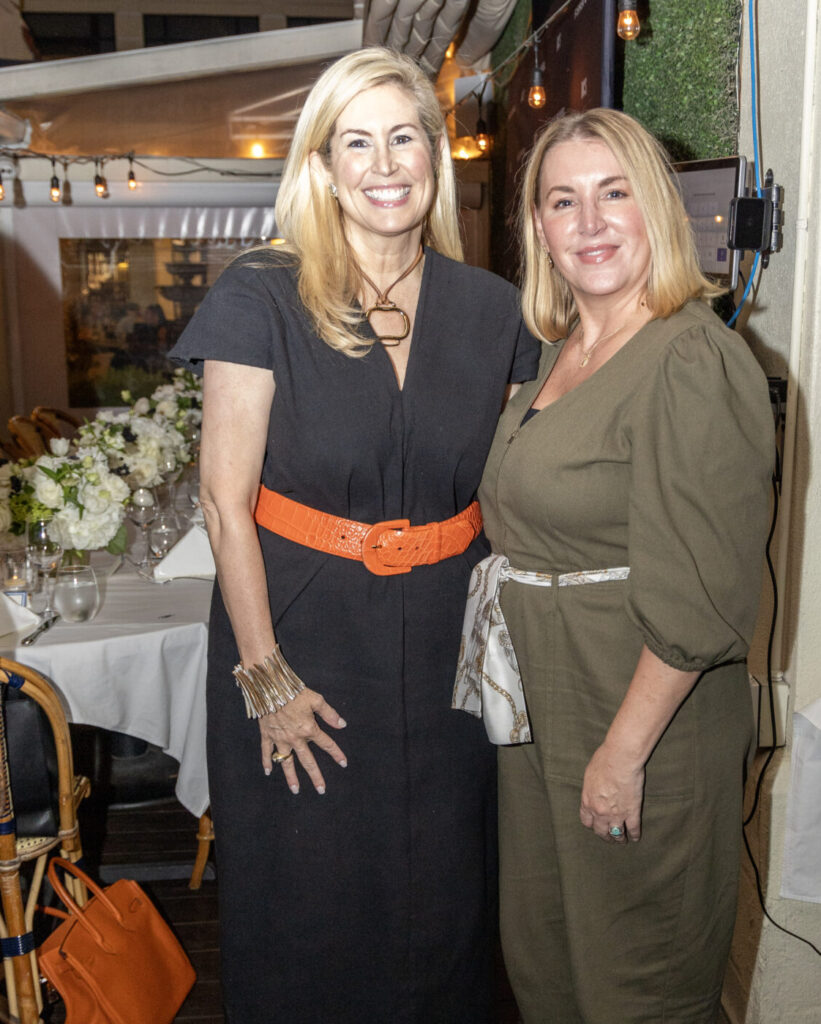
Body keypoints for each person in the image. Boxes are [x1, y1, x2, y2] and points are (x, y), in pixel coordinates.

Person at [170, 47, 539, 1024]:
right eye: (356, 142)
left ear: (434, 157)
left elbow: (519, 486)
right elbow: (223, 502)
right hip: (302, 639)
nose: (383, 165)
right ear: (323, 166)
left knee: (445, 905)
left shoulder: (493, 309)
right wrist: (266, 679)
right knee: (311, 907)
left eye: (403, 137)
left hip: (448, 648)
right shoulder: (260, 294)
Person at [467, 109, 773, 1022]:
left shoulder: (689, 355)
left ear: (658, 210)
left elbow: (701, 598)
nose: (589, 222)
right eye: (563, 201)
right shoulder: (559, 353)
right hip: (544, 707)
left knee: (637, 984)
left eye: (614, 193)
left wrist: (621, 754)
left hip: (638, 717)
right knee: (549, 968)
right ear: (539, 228)